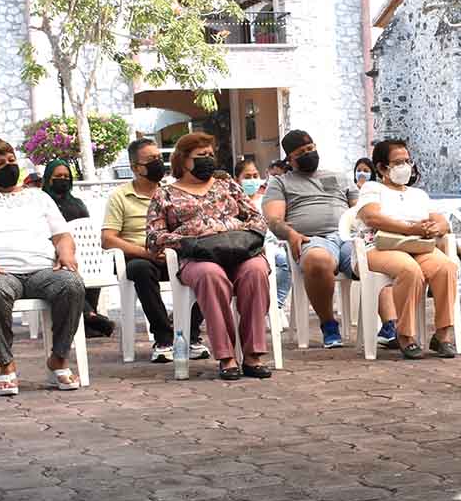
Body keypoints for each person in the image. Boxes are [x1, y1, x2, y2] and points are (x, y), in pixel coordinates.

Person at [0, 137, 88, 396]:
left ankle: (58, 358)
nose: (9, 166)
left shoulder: (39, 197)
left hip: (42, 271)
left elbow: (62, 236)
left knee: (72, 283)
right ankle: (6, 364)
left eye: (12, 160)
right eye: (0, 164)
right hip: (0, 272)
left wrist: (66, 254)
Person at [146, 132, 275, 380]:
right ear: (183, 160)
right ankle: (226, 356)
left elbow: (256, 219)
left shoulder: (226, 184)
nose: (208, 159)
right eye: (200, 155)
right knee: (210, 275)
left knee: (256, 271)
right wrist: (192, 238)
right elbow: (153, 238)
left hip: (238, 249)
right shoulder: (165, 194)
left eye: (210, 155)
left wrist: (229, 229)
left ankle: (252, 355)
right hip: (198, 257)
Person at [263, 128, 383, 349]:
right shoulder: (280, 183)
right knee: (318, 261)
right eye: (302, 151)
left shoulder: (339, 176)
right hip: (312, 239)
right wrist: (290, 234)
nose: (309, 153)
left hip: (349, 237)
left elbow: (359, 210)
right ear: (290, 158)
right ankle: (328, 324)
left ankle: (389, 325)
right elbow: (273, 219)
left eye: (311, 148)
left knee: (379, 259)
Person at [103, 137, 207, 364]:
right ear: (135, 167)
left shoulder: (172, 192)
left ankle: (190, 332)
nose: (157, 164)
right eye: (151, 160)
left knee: (206, 266)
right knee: (141, 269)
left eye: (159, 158)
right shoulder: (120, 196)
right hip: (139, 257)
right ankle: (164, 338)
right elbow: (108, 239)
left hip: (172, 253)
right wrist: (145, 253)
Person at [355, 138, 460, 359]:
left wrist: (434, 227)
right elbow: (371, 216)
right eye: (398, 162)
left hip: (417, 246)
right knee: (409, 270)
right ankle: (405, 335)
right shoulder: (372, 188)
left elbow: (442, 221)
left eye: (408, 161)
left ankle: (442, 335)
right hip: (380, 247)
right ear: (383, 167)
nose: (405, 166)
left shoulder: (418, 195)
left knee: (446, 267)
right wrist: (410, 228)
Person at [40, 158, 115, 339]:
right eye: (58, 176)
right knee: (67, 270)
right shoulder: (41, 202)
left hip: (81, 253)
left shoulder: (77, 203)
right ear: (49, 178)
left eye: (66, 176)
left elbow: (87, 231)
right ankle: (89, 316)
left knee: (89, 264)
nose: (63, 179)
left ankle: (89, 316)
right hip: (50, 256)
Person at [237, 157, 291, 311]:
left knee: (287, 259)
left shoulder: (266, 200)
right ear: (237, 179)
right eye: (247, 177)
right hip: (250, 246)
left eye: (255, 176)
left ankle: (276, 306)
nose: (252, 180)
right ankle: (267, 306)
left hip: (273, 244)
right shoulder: (235, 203)